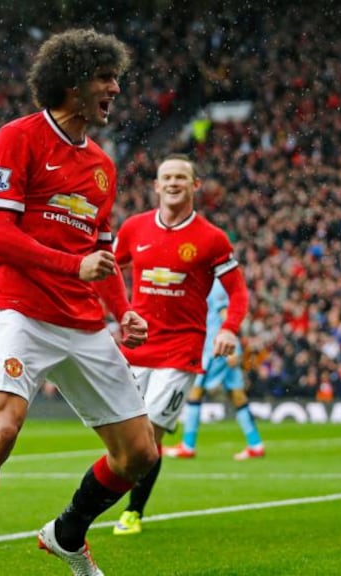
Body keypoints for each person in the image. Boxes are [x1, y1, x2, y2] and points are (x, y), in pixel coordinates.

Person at [0, 29, 157, 576]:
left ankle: (66, 533)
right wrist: (70, 266)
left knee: (139, 456)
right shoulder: (17, 137)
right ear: (72, 81)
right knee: (2, 428)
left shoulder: (103, 165)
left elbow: (99, 250)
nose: (115, 87)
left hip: (81, 320)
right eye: (105, 78)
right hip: (19, 309)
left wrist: (121, 308)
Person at [108, 154, 249, 536]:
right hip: (137, 347)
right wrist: (112, 313)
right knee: (124, 437)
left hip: (181, 352)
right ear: (156, 185)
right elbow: (105, 270)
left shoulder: (211, 238)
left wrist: (229, 329)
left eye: (180, 178)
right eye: (166, 177)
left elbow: (238, 293)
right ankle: (101, 499)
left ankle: (132, 512)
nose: (172, 183)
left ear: (195, 185)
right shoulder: (135, 229)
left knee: (148, 438)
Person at [163, 278, 265, 462]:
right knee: (237, 396)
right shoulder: (212, 282)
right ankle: (255, 444)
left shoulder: (215, 284)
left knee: (195, 392)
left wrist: (231, 345)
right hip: (224, 348)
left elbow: (225, 314)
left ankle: (188, 445)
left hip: (215, 349)